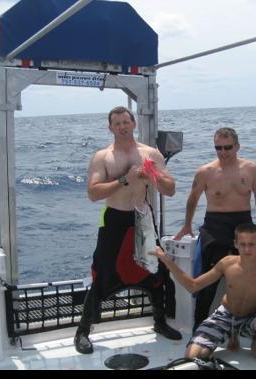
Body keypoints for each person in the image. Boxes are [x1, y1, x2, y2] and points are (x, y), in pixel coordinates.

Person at [74, 106, 182, 355]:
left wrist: (151, 175)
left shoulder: (151, 154)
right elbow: (93, 193)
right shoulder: (103, 157)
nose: (122, 126)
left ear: (134, 124)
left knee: (155, 271)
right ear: (110, 128)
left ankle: (159, 322)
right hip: (114, 220)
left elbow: (170, 189)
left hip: (143, 217)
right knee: (102, 273)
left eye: (126, 122)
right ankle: (83, 330)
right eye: (117, 123)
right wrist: (124, 179)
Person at [153, 223, 256, 367]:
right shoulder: (227, 264)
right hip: (224, 316)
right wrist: (166, 259)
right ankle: (229, 334)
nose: (246, 249)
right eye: (242, 244)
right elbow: (192, 286)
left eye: (251, 244)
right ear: (235, 244)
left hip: (251, 316)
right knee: (192, 356)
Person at [173, 127, 256, 331]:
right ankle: (199, 326)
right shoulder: (205, 171)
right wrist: (187, 224)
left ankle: (245, 326)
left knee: (246, 280)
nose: (223, 152)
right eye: (218, 148)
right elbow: (192, 199)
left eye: (227, 147)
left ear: (237, 146)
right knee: (207, 282)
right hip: (215, 227)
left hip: (243, 225)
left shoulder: (251, 169)